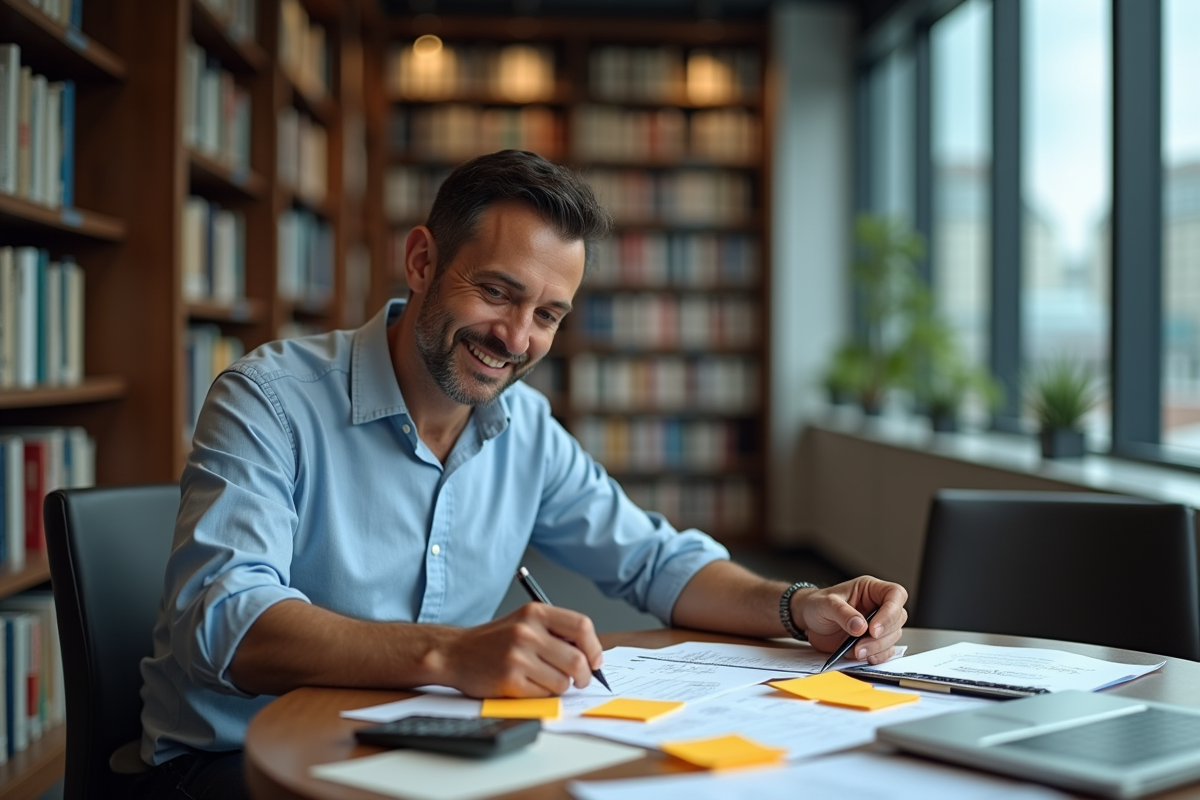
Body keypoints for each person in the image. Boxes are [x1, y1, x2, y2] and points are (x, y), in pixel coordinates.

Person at [134, 150, 908, 799]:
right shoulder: (268, 398)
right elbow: (227, 625)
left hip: (431, 754)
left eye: (548, 315)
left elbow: (655, 561)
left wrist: (800, 604)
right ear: (422, 260)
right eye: (498, 292)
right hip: (238, 765)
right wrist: (447, 654)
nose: (516, 338)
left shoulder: (525, 428)